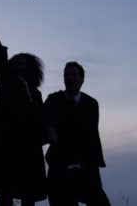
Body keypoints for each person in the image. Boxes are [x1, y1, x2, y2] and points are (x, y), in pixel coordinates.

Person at [0, 13, 47, 206]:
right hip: (7, 145)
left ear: (29, 65)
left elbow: (41, 118)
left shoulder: (36, 93)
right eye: (15, 59)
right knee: (5, 193)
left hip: (29, 148)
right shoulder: (5, 80)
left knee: (28, 194)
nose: (17, 61)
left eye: (21, 59)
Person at [44, 62, 110, 206]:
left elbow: (92, 135)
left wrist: (88, 162)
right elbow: (43, 119)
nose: (70, 77)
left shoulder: (91, 104)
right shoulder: (53, 100)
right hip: (60, 165)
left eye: (74, 74)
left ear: (82, 79)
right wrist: (49, 128)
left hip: (85, 165)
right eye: (67, 74)